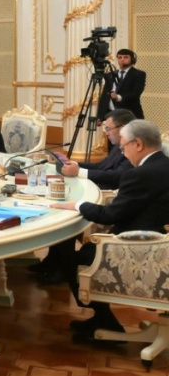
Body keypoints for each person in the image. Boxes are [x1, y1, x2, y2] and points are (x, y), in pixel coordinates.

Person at [49, 119, 169, 342]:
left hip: (141, 250)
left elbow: (110, 215)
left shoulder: (140, 174)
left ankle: (105, 321)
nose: (123, 153)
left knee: (73, 260)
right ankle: (102, 319)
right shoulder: (164, 164)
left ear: (138, 144)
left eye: (123, 148)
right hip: (159, 243)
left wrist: (78, 205)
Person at [29, 109, 135, 283]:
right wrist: (74, 164)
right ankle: (52, 261)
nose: (105, 133)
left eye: (108, 128)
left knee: (68, 213)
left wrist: (79, 172)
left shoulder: (131, 148)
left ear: (123, 127)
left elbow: (117, 176)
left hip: (108, 198)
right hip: (98, 191)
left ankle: (62, 269)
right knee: (63, 206)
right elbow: (102, 166)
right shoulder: (118, 146)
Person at [99, 49, 145, 120]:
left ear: (132, 59)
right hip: (111, 114)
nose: (122, 60)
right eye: (119, 57)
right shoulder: (110, 74)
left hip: (130, 114)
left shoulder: (138, 74)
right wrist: (100, 116)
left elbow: (136, 93)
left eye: (125, 57)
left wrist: (118, 97)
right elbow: (104, 96)